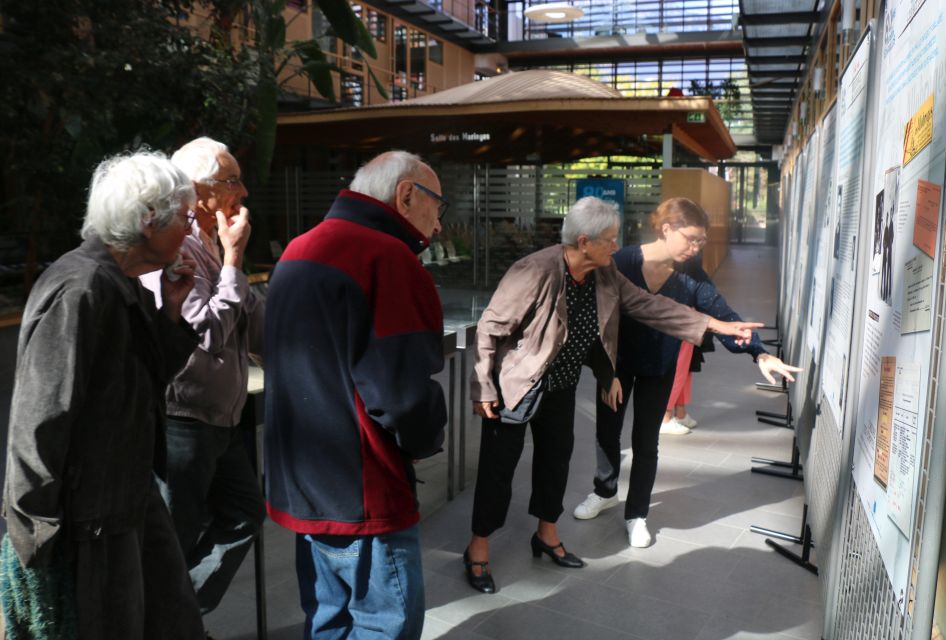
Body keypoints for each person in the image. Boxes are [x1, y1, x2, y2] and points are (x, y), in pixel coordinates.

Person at [464, 196, 762, 594]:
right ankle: (478, 549)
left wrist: (717, 327)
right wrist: (483, 384)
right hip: (518, 386)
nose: (616, 247)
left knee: (555, 465)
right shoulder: (535, 270)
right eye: (609, 240)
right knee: (498, 472)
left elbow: (651, 307)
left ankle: (546, 536)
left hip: (561, 387)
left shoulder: (605, 275)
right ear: (584, 242)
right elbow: (490, 328)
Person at [2, 150, 206, 638]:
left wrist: (172, 312)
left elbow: (143, 378)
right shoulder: (81, 288)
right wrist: (35, 540)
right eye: (187, 216)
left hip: (126, 502)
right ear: (148, 217)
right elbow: (39, 418)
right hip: (88, 523)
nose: (193, 230)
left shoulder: (122, 284)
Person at [264, 150, 448, 639]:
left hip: (304, 483)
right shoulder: (385, 256)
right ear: (406, 194)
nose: (439, 224)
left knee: (328, 619)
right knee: (384, 624)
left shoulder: (299, 248)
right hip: (363, 488)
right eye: (438, 206)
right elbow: (403, 397)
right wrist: (428, 434)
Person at [573, 197, 800, 548]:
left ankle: (637, 515)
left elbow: (724, 317)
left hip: (658, 365)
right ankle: (605, 491)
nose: (694, 248)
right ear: (666, 229)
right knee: (608, 430)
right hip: (616, 364)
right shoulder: (621, 261)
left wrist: (758, 353)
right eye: (690, 239)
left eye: (701, 242)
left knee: (646, 441)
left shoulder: (691, 275)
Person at [140, 137, 266, 615]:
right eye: (231, 181)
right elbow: (207, 333)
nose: (243, 190)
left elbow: (247, 319)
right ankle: (165, 622)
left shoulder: (213, 237)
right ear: (196, 190)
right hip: (184, 421)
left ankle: (180, 617)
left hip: (222, 417)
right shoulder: (176, 247)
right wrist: (233, 262)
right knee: (175, 536)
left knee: (244, 514)